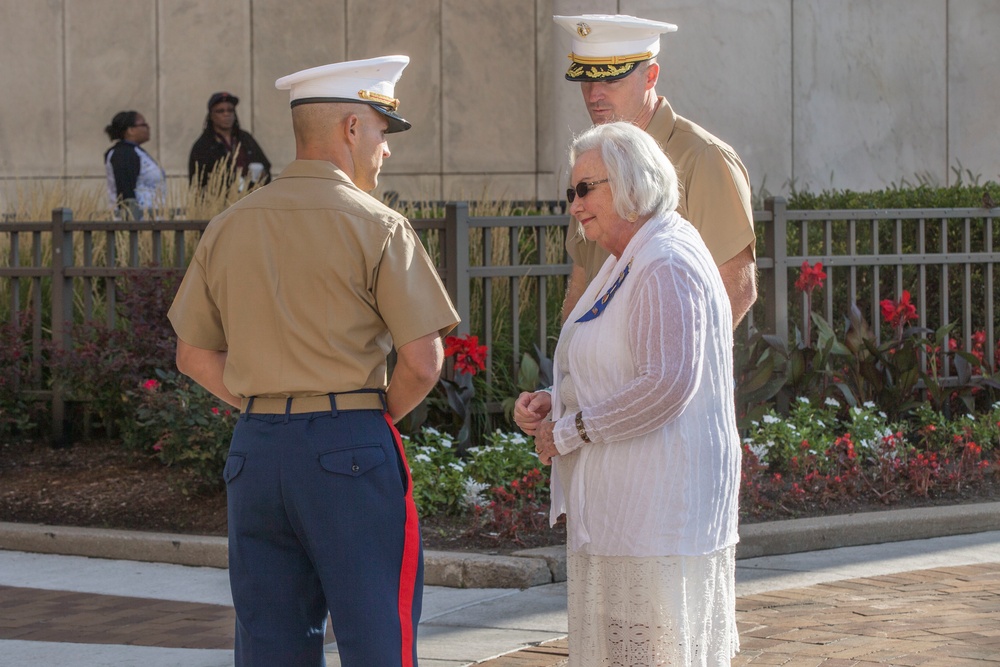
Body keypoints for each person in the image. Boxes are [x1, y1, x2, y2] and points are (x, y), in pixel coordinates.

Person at [168, 55, 459, 666]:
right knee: (378, 632)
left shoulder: (228, 226)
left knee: (270, 643)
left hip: (256, 450)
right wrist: (369, 415)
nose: (386, 150)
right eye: (382, 132)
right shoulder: (378, 226)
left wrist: (266, 402)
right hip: (349, 446)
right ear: (352, 129)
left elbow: (192, 355)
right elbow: (424, 362)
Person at [513, 121, 741, 666]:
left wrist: (569, 430)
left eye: (586, 189)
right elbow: (619, 361)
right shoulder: (630, 256)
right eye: (572, 192)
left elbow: (666, 385)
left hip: (656, 512)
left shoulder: (665, 261)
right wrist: (557, 397)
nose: (575, 205)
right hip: (628, 512)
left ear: (631, 181)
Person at [553, 14, 757, 328]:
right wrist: (569, 365)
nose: (594, 95)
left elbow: (736, 288)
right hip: (601, 371)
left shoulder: (703, 157)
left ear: (651, 76)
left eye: (610, 79)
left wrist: (675, 370)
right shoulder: (594, 160)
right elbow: (583, 279)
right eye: (587, 80)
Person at [187, 91, 271, 189]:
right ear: (211, 115)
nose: (226, 114)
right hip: (219, 201)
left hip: (249, 197)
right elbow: (198, 182)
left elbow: (265, 165)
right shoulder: (203, 145)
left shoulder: (245, 138)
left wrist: (262, 174)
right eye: (220, 111)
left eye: (230, 110)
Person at [103, 110, 166, 220]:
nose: (148, 128)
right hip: (137, 221)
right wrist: (132, 220)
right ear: (131, 130)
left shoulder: (136, 151)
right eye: (143, 124)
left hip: (149, 219)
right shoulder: (123, 154)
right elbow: (126, 193)